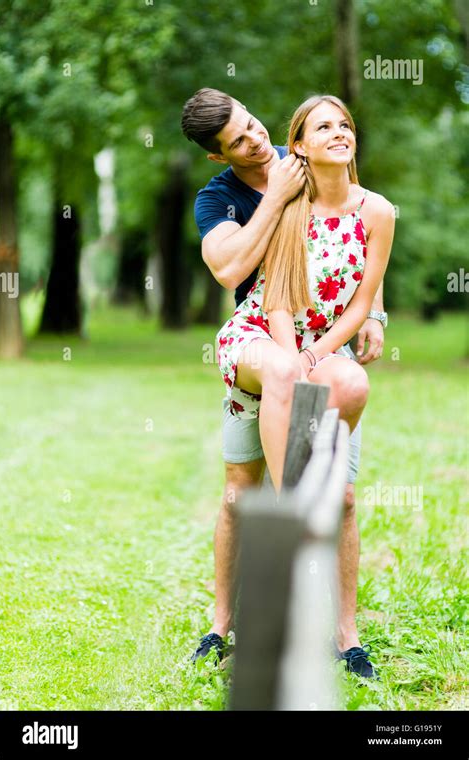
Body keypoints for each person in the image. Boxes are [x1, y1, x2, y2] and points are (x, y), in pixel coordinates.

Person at [181, 89, 392, 677]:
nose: (255, 141)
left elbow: (356, 241)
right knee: (237, 492)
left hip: (324, 341)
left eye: (252, 124)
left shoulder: (307, 150)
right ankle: (223, 624)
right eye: (238, 141)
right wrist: (273, 199)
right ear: (217, 157)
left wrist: (372, 314)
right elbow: (230, 270)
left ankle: (345, 635)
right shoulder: (219, 198)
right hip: (262, 340)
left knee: (345, 497)